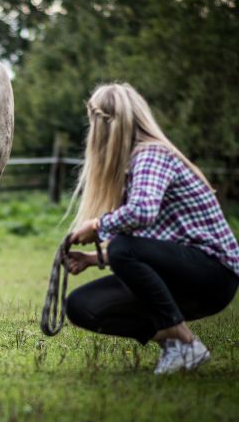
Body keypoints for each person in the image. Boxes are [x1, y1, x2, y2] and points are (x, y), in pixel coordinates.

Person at [65, 83, 239, 375]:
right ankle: (175, 346)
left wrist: (97, 225)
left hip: (215, 275)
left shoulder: (151, 155)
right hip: (181, 272)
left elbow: (142, 213)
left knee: (122, 247)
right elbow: (153, 244)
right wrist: (95, 259)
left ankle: (185, 340)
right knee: (81, 306)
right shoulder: (133, 166)